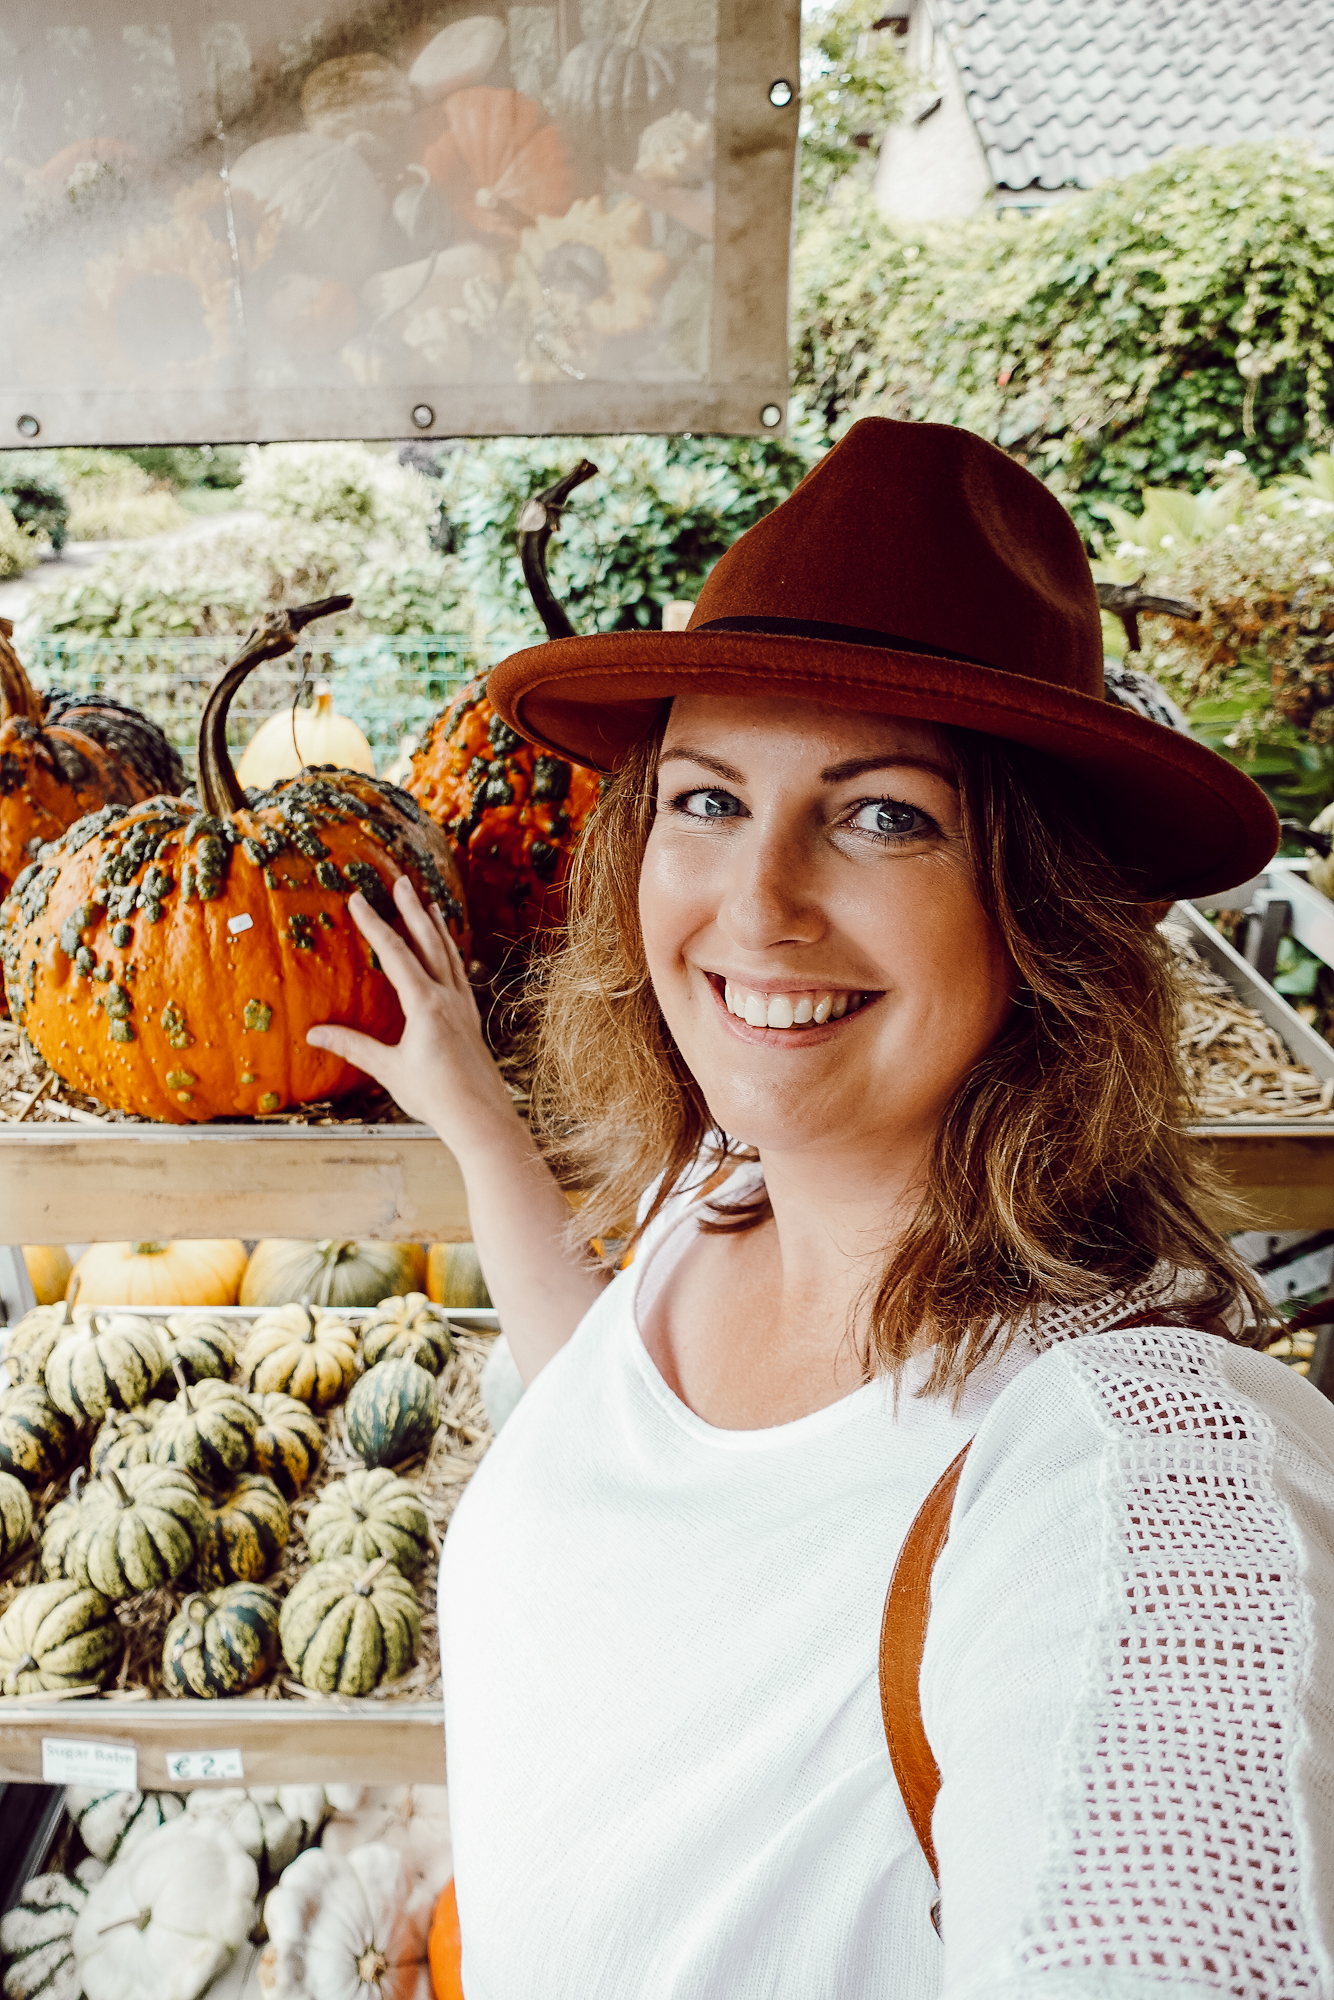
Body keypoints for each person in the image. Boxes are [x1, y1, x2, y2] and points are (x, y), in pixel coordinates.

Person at [309, 420, 1334, 1999]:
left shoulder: (1137, 1469)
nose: (758, 905)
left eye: (882, 816)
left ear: (1039, 905)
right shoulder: (718, 1193)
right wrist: (473, 1114)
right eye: (708, 801)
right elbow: (611, 1404)